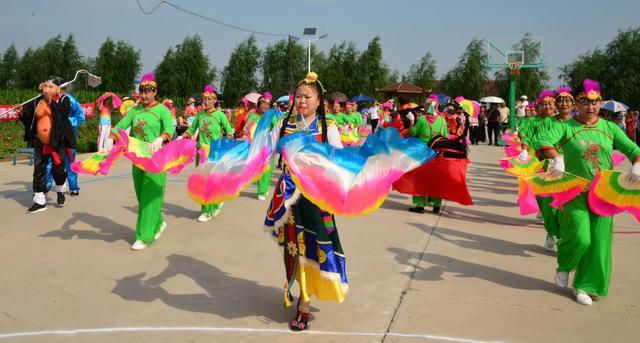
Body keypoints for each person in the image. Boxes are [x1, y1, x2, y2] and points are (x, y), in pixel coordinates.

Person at [537, 79, 640, 305]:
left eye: (595, 102)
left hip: (604, 193)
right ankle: (564, 264)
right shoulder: (565, 126)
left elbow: (633, 149)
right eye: (585, 101)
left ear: (600, 103)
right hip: (575, 191)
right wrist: (557, 157)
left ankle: (584, 285)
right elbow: (543, 140)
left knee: (599, 243)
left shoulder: (610, 128)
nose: (590, 106)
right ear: (577, 104)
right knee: (581, 237)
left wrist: (637, 163)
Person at [264, 72, 345, 331]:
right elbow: (265, 150)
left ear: (319, 100)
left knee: (312, 249)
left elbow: (340, 160)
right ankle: (301, 292)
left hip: (316, 198)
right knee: (294, 248)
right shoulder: (284, 123)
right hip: (288, 199)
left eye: (307, 97)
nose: (302, 101)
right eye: (298, 96)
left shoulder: (327, 126)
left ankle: (305, 303)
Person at [105, 73, 174, 250]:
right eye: (141, 91)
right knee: (142, 197)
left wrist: (161, 139)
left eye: (147, 92)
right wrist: (111, 138)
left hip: (157, 160)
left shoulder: (162, 110)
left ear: (155, 92)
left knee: (150, 197)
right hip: (138, 158)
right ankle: (157, 223)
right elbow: (121, 126)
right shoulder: (135, 111)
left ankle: (144, 236)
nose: (143, 95)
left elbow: (169, 129)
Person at [16, 76, 75, 213]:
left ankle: (60, 190)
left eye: (50, 87)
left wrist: (50, 100)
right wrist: (21, 112)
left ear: (58, 89)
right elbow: (30, 118)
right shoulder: (37, 101)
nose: (46, 89)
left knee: (58, 171)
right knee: (39, 171)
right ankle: (39, 201)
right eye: (45, 86)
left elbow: (61, 116)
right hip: (40, 142)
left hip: (57, 142)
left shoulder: (64, 100)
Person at [180, 84, 234, 221]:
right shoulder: (200, 115)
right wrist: (183, 136)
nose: (207, 101)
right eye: (205, 99)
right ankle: (208, 207)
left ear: (215, 100)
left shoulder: (220, 115)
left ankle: (209, 210)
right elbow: (192, 130)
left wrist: (225, 142)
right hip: (201, 152)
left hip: (214, 152)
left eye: (210, 99)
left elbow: (229, 132)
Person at [519, 90, 559, 251]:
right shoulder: (532, 121)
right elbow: (527, 137)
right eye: (544, 103)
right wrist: (523, 148)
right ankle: (551, 231)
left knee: (557, 202)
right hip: (538, 163)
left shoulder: (560, 122)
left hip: (558, 164)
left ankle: (556, 233)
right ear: (538, 106)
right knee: (544, 201)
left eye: (551, 103)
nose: (547, 106)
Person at [406, 102, 447, 214]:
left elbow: (414, 133)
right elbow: (445, 137)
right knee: (436, 179)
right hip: (437, 153)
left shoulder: (422, 119)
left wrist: (412, 122)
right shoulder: (442, 121)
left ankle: (419, 205)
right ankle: (436, 204)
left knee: (419, 178)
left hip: (422, 153)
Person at [46, 85, 85, 196]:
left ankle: (74, 187)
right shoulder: (50, 99)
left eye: (51, 86)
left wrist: (65, 121)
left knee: (70, 162)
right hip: (54, 137)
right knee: (50, 161)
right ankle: (46, 186)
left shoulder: (71, 100)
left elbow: (80, 117)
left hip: (68, 137)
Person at [244, 94, 276, 200]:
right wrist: (245, 131)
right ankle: (263, 186)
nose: (265, 106)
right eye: (263, 104)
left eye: (268, 104)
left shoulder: (271, 116)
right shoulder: (253, 116)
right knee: (259, 168)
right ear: (259, 104)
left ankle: (262, 190)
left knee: (267, 168)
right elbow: (247, 128)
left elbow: (276, 129)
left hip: (268, 145)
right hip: (256, 146)